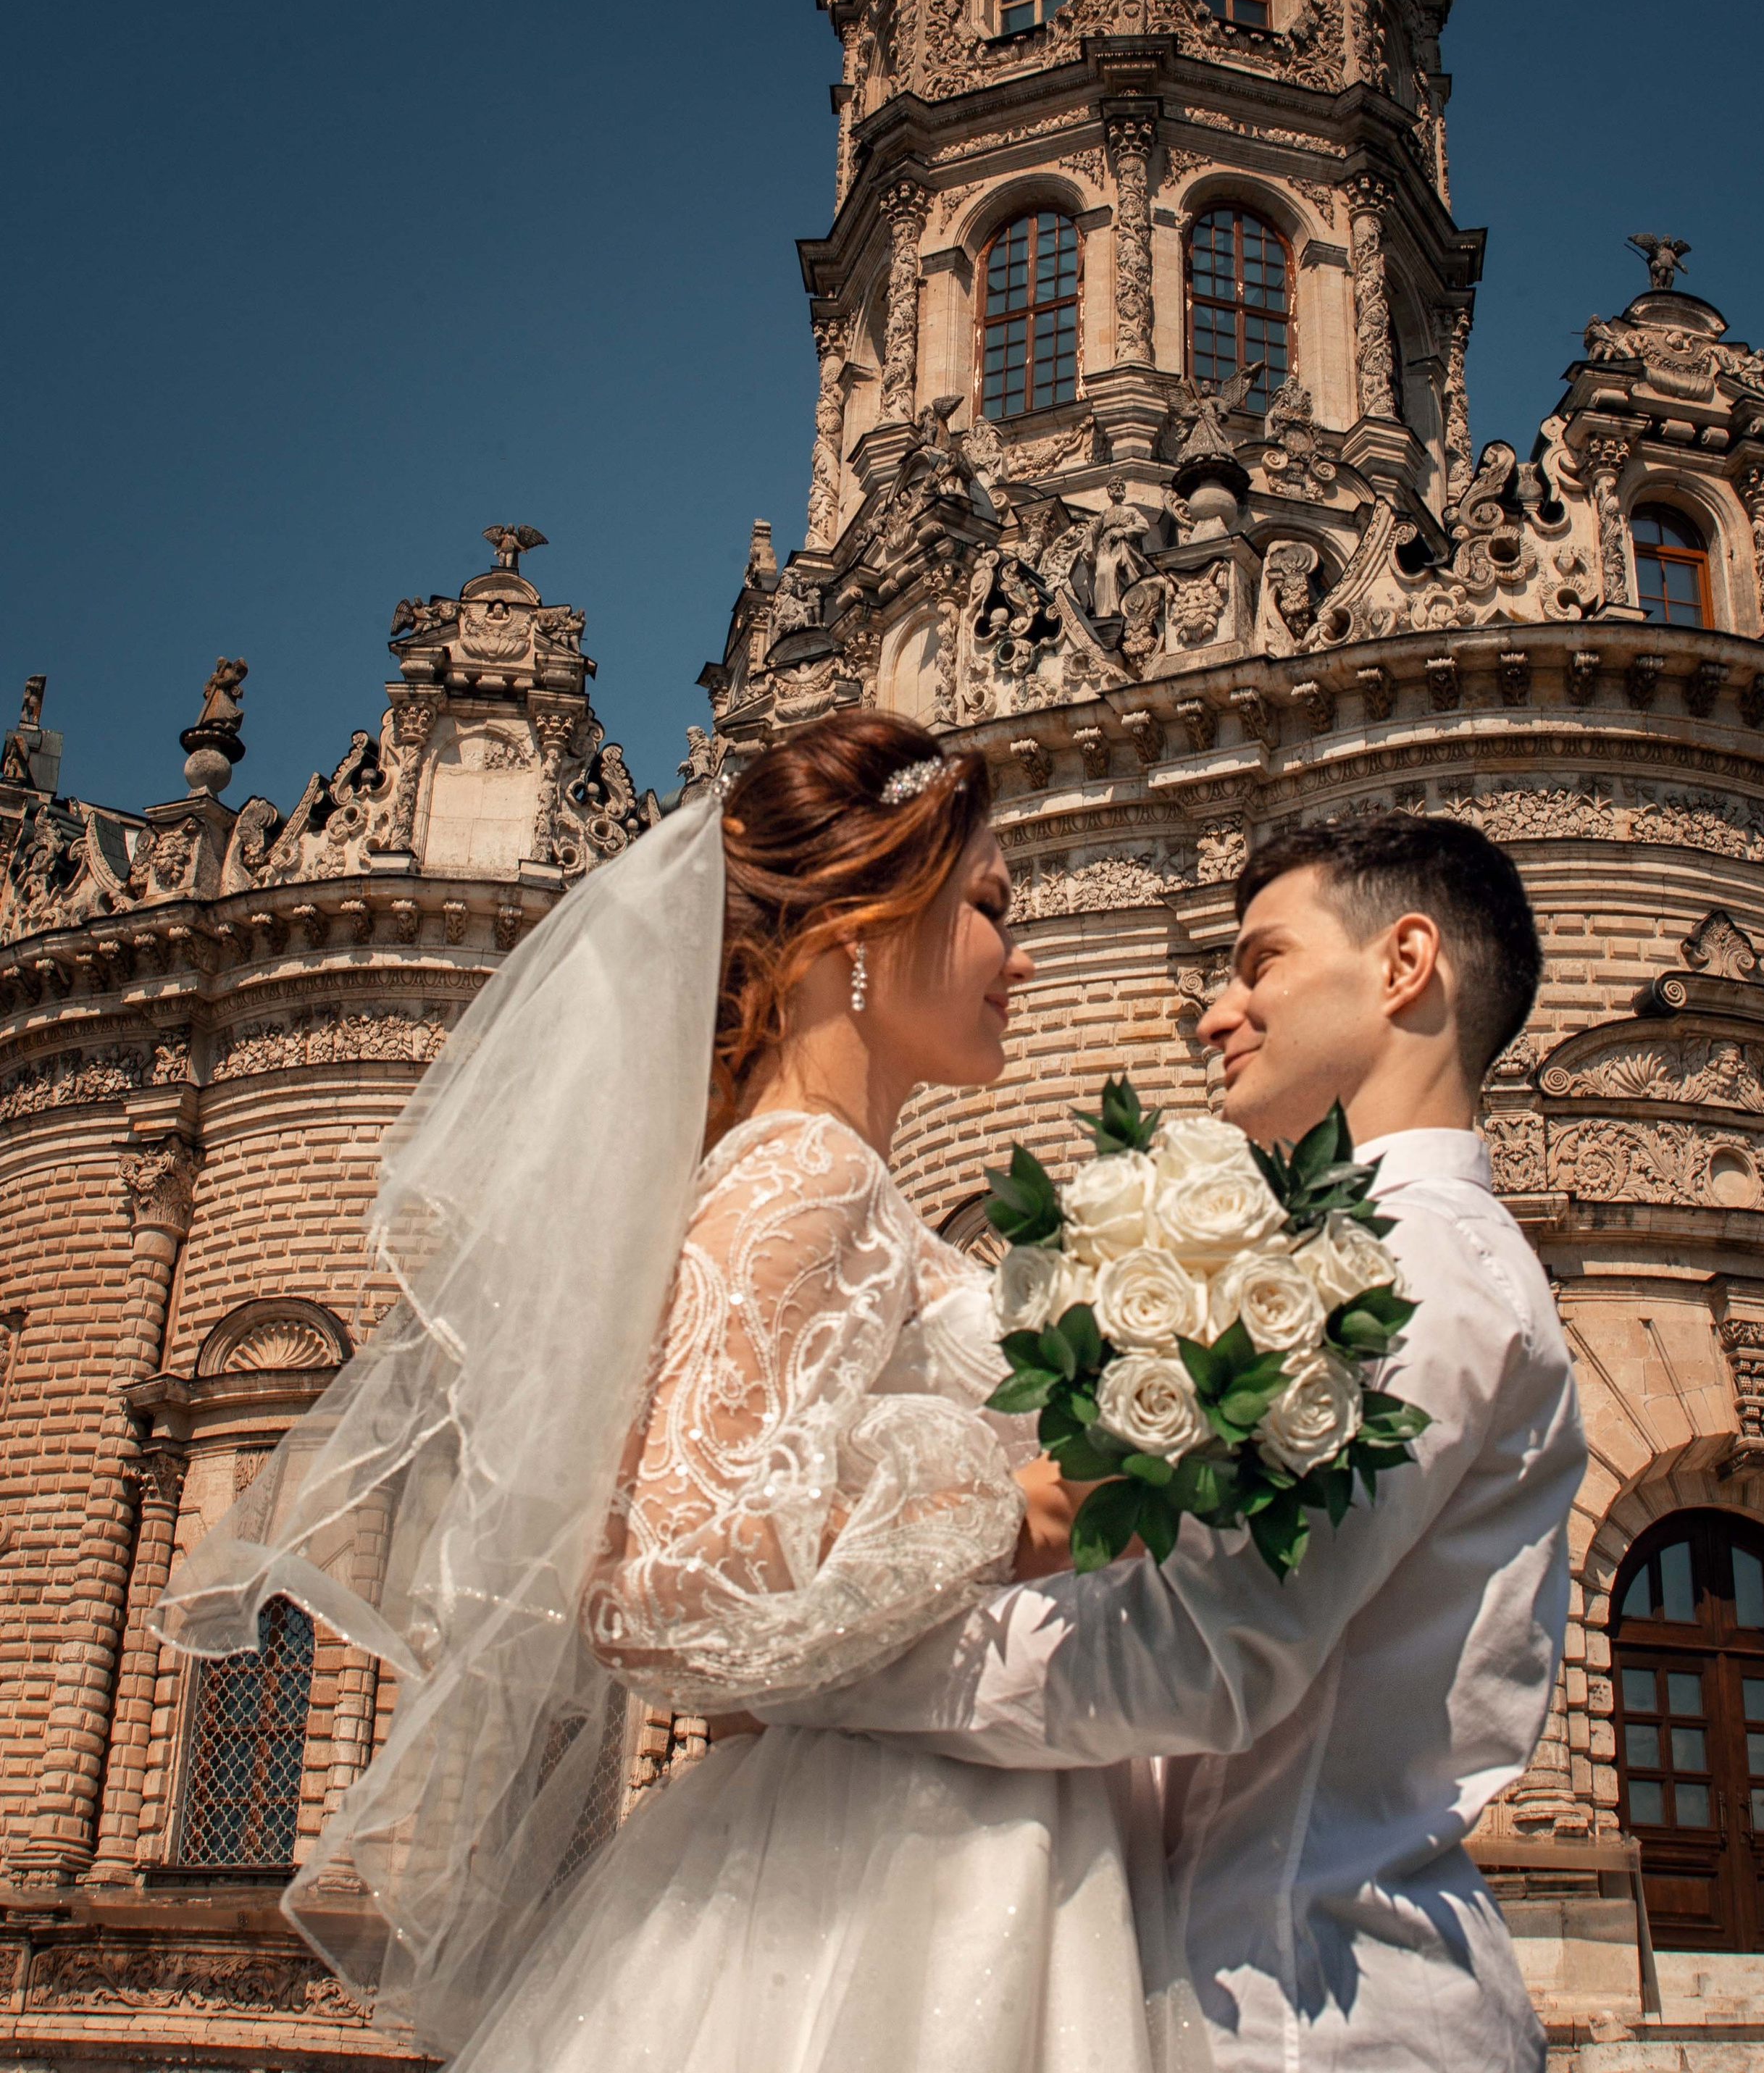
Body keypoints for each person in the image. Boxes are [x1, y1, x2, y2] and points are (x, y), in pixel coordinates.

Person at [154, 713, 1203, 2073]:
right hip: (887, 1876)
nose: (1023, 953)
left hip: (919, 1836)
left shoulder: (824, 1179)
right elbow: (662, 1587)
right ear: (860, 927)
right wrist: (1030, 1509)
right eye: (991, 906)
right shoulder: (803, 1176)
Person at [774, 813, 1587, 2073]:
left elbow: (1204, 1655)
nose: (1214, 1015)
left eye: (1261, 964)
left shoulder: (1419, 1264)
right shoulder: (1371, 1250)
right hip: (1248, 1971)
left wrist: (824, 1669)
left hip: (1315, 2010)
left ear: (1405, 964)